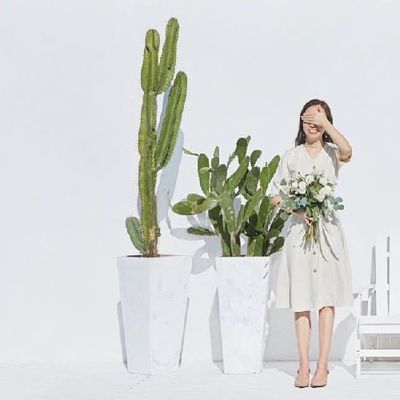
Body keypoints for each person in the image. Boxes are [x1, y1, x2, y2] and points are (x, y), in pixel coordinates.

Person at [268, 99, 354, 388]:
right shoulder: (291, 157)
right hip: (299, 234)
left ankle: (323, 367)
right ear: (301, 121)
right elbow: (274, 195)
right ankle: (303, 367)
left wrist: (325, 122)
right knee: (301, 299)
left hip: (327, 233)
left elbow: (348, 150)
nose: (313, 124)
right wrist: (297, 208)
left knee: (327, 299)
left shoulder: (332, 153)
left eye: (319, 119)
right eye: (308, 118)